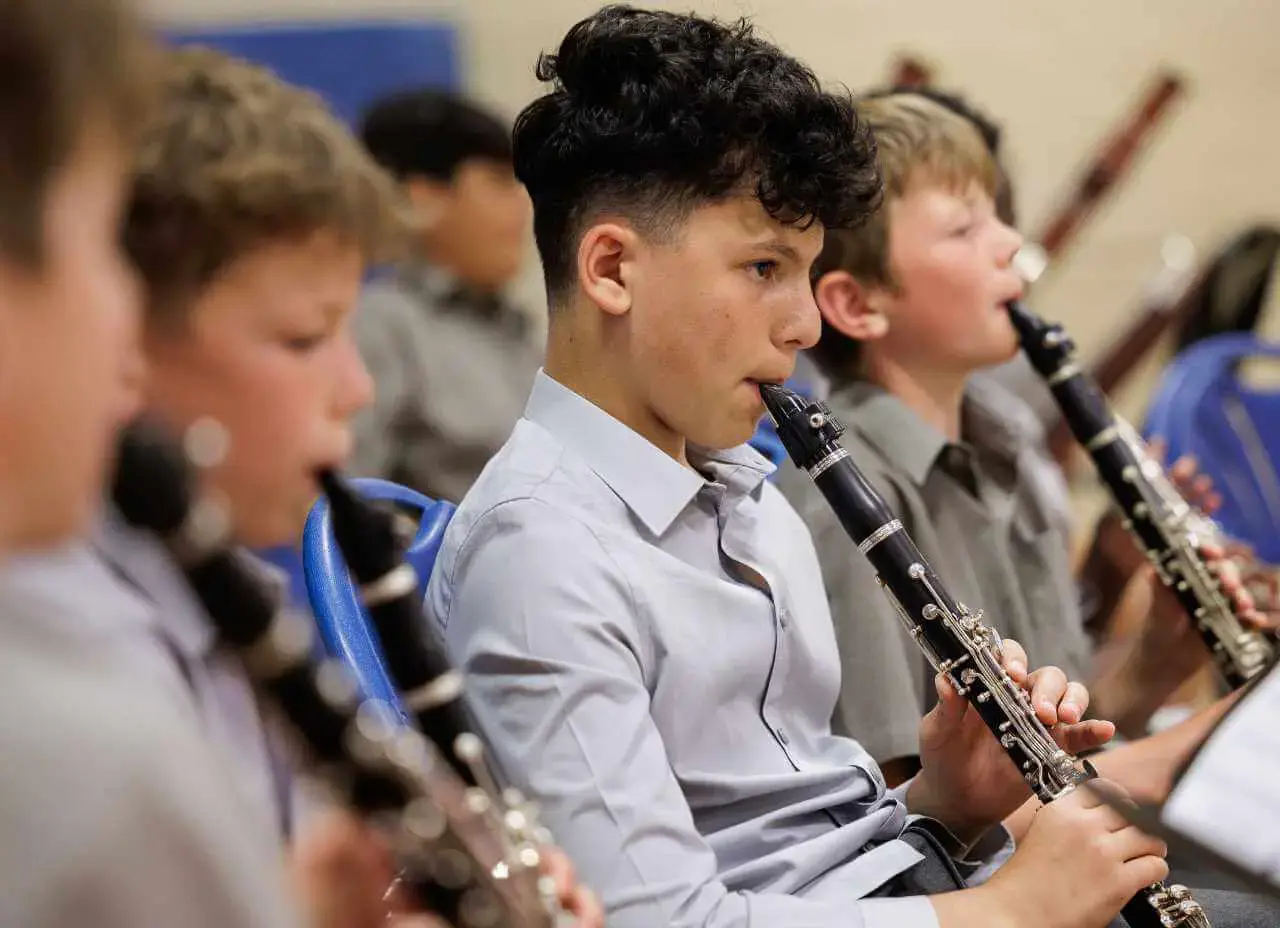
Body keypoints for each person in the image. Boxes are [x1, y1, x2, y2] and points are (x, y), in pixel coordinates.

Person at [421, 6, 1268, 926]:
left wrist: (948, 804)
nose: (805, 323)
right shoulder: (542, 553)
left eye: (808, 269)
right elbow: (661, 923)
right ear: (613, 269)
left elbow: (804, 852)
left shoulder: (747, 499)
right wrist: (1004, 914)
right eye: (763, 268)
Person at [776, 91, 1268, 818]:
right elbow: (906, 818)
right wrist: (1209, 740)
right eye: (965, 229)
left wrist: (1159, 660)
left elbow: (1064, 740)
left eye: (999, 216)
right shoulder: (834, 497)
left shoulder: (1013, 442)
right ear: (858, 305)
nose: (1009, 243)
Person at [350, 87, 541, 502]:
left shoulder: (515, 325)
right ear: (424, 198)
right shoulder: (381, 327)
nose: (522, 206)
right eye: (499, 183)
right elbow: (345, 509)